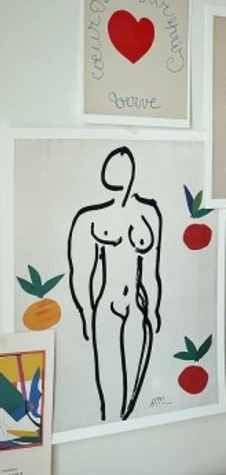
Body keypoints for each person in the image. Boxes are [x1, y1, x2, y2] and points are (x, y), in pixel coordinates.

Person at [67, 146, 162, 421]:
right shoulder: (90, 218)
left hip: (136, 304)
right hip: (107, 304)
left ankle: (123, 420)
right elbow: (81, 272)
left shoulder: (148, 214)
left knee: (133, 381)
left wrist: (154, 309)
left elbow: (151, 270)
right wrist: (85, 313)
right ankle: (110, 420)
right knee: (108, 373)